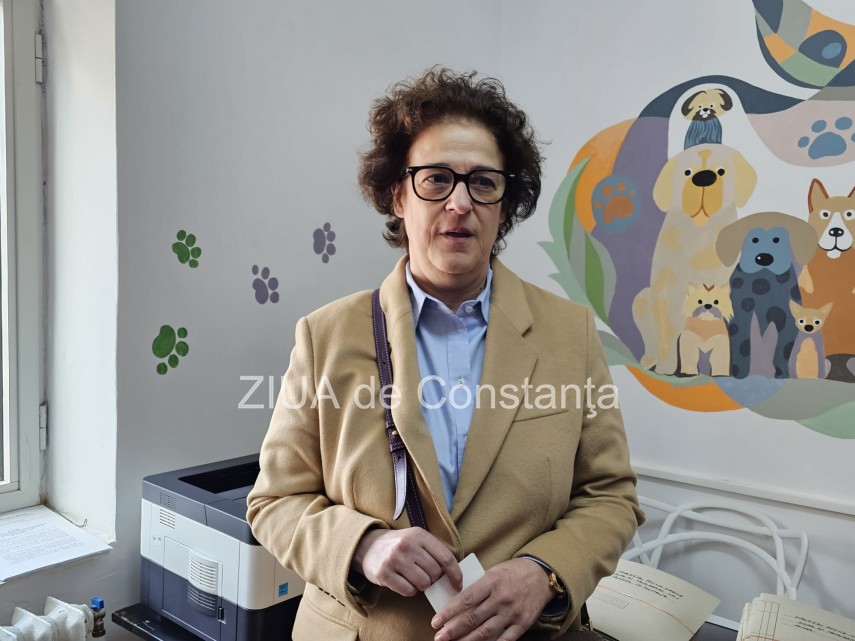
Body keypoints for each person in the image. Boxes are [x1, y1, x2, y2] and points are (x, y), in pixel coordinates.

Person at [247, 67, 644, 641]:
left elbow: (610, 495)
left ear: (504, 204)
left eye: (482, 182)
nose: (460, 203)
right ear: (398, 195)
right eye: (435, 179)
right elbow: (274, 502)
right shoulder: (324, 335)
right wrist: (362, 545)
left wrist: (545, 572)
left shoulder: (571, 334)